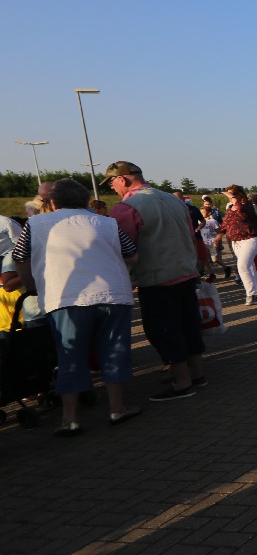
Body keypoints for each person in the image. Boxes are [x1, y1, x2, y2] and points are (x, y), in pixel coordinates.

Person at [12, 178, 142, 434]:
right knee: (114, 351)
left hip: (65, 297)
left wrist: (31, 285)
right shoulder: (108, 223)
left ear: (53, 202)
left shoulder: (35, 224)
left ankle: (69, 419)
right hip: (112, 295)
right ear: (85, 201)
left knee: (70, 355)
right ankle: (117, 408)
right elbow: (132, 255)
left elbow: (19, 257)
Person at [105, 161, 207, 401]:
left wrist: (127, 278)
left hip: (156, 277)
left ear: (123, 179)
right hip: (186, 272)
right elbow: (190, 235)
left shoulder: (127, 207)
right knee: (189, 324)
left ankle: (182, 383)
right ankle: (197, 373)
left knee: (164, 329)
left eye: (111, 182)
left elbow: (123, 248)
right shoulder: (174, 200)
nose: (111, 188)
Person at [221, 185, 257, 305]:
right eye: (229, 194)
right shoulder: (230, 208)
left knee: (242, 266)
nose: (230, 197)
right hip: (237, 241)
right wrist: (218, 236)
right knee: (250, 266)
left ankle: (250, 294)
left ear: (239, 194)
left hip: (250, 239)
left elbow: (242, 215)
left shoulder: (247, 206)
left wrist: (235, 201)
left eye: (233, 194)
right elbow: (226, 223)